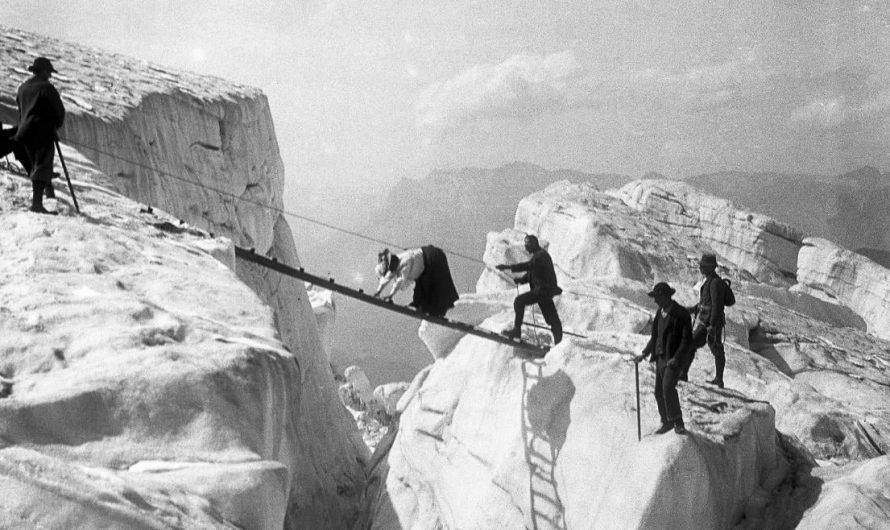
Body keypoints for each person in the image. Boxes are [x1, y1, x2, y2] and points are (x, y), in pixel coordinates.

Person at [635, 282, 692, 435]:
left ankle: (678, 422)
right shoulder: (660, 313)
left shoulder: (681, 314)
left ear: (665, 297)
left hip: (673, 359)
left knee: (668, 388)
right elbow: (655, 337)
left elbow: (687, 340)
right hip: (660, 358)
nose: (655, 301)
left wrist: (677, 357)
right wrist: (644, 353)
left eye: (657, 297)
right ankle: (666, 421)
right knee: (658, 392)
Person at [14, 57, 65, 214]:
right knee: (42, 165)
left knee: (34, 165)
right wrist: (54, 127)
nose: (50, 75)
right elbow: (59, 111)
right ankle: (37, 205)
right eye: (48, 72)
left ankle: (44, 196)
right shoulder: (47, 88)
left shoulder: (22, 88)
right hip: (42, 132)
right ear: (43, 71)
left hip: (23, 132)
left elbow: (21, 110)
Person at [495, 234, 563, 345]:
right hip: (544, 292)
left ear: (534, 244)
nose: (526, 247)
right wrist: (521, 280)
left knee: (519, 301)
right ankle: (558, 343)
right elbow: (531, 273)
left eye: (527, 244)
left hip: (543, 290)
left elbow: (529, 266)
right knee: (551, 318)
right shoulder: (538, 256)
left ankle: (517, 331)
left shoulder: (541, 256)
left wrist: (507, 267)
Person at [679, 253, 728, 388]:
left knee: (715, 348)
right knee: (695, 344)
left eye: (703, 266)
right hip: (707, 320)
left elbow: (717, 306)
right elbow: (706, 302)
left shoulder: (715, 283)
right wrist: (693, 309)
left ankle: (718, 379)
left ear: (710, 267)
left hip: (711, 322)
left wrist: (712, 325)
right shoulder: (710, 281)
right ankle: (684, 373)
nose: (700, 268)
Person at [373, 246, 459, 318]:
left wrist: (390, 295)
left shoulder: (404, 262)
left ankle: (438, 311)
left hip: (433, 258)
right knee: (422, 285)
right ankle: (421, 307)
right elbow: (386, 279)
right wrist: (378, 292)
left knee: (434, 284)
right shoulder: (393, 263)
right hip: (424, 262)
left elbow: (400, 281)